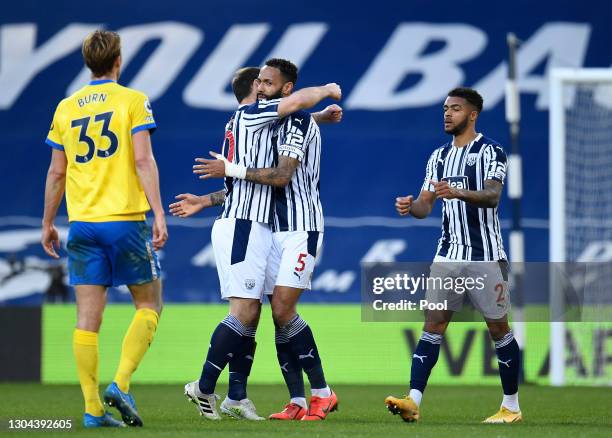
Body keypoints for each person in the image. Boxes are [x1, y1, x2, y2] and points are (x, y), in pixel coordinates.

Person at [177, 63, 341, 421]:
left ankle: (241, 396)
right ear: (254, 90)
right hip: (245, 226)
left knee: (266, 312)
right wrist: (328, 88)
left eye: (270, 83)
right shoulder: (252, 115)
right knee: (247, 312)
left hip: (275, 226)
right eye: (261, 83)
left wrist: (204, 201)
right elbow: (273, 161)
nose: (265, 89)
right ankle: (205, 387)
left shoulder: (260, 123)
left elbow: (243, 179)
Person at [41, 29, 167, 428]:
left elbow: (57, 172)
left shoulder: (66, 107)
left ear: (87, 62)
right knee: (149, 304)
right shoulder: (132, 100)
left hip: (82, 226)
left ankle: (92, 410)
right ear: (118, 61)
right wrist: (159, 213)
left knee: (86, 320)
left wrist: (47, 222)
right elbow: (143, 160)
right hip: (125, 222)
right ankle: (122, 383)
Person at [386, 87, 521, 424]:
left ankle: (511, 407)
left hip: (485, 255)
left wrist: (458, 191)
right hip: (447, 255)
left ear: (472, 114)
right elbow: (425, 205)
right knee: (433, 325)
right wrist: (409, 207)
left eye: (455, 109)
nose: (447, 114)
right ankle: (413, 401)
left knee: (499, 330)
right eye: (445, 108)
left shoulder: (492, 152)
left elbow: (492, 196)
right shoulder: (438, 157)